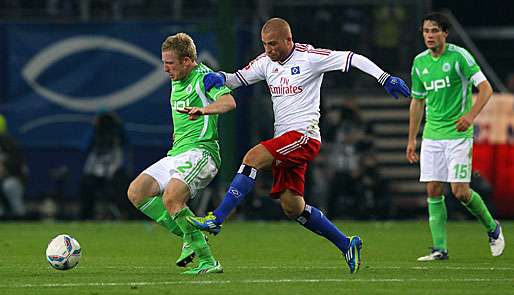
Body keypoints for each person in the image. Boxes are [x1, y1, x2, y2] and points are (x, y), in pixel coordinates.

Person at [186, 17, 410, 274]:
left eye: (273, 44)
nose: (268, 50)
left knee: (253, 157)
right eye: (265, 45)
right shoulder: (265, 62)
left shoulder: (310, 57)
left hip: (304, 136)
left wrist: (384, 78)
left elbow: (353, 57)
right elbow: (237, 79)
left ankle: (217, 218)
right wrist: (219, 77)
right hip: (285, 140)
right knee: (292, 206)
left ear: (288, 40)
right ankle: (347, 243)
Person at [126, 33, 236, 274]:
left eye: (170, 63)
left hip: (202, 151)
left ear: (187, 61)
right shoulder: (177, 78)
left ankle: (209, 261)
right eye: (164, 62)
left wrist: (204, 110)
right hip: (178, 152)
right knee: (137, 191)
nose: (165, 69)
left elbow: (229, 103)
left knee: (172, 198)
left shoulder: (205, 78)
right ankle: (193, 236)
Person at [406, 12, 505, 261]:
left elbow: (486, 88)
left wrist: (471, 116)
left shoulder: (459, 56)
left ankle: (493, 228)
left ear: (445, 33)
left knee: (460, 192)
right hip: (432, 134)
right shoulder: (419, 62)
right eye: (426, 31)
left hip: (458, 134)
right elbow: (417, 101)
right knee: (433, 189)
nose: (429, 35)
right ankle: (439, 249)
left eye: (434, 30)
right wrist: (411, 139)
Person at [80, 112, 131, 220]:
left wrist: (118, 125)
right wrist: (94, 127)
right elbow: (83, 146)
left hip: (114, 173)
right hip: (96, 174)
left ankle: (124, 215)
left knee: (123, 184)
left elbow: (127, 141)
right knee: (86, 184)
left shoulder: (118, 139)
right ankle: (86, 217)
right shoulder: (95, 139)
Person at [0, 115, 27, 219]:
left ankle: (20, 216)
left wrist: (5, 167)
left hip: (12, 179)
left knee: (9, 186)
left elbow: (18, 165)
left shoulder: (10, 143)